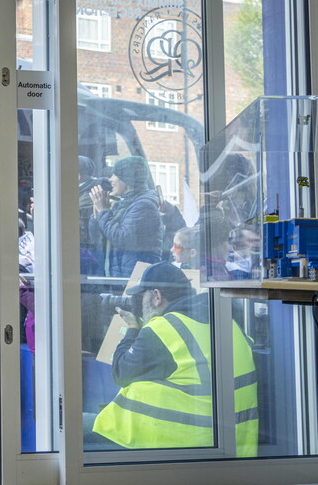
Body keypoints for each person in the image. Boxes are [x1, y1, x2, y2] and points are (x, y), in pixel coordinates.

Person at [87, 262, 258, 456]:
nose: (139, 304)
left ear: (157, 296)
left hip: (179, 446)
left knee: (76, 428)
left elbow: (121, 372)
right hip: (234, 446)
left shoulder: (164, 329)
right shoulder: (225, 322)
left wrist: (133, 328)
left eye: (142, 296)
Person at [88, 156, 164, 278]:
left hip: (134, 277)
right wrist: (97, 215)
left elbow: (122, 239)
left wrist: (103, 211)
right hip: (120, 275)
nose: (110, 179)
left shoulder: (144, 206)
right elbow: (97, 240)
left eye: (115, 175)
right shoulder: (123, 203)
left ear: (127, 179)